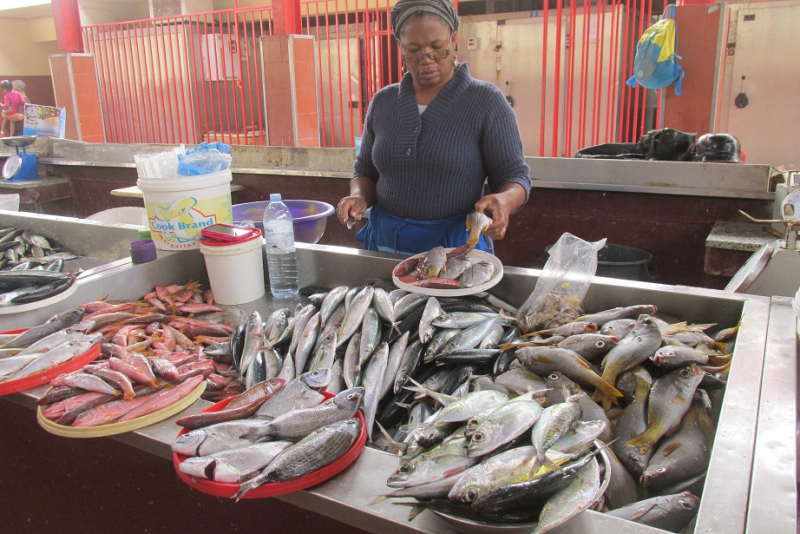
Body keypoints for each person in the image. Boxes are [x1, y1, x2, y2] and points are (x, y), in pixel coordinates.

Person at [336, 0, 531, 255]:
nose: (426, 60)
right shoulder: (384, 102)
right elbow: (365, 170)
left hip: (455, 247)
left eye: (437, 48)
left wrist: (504, 202)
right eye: (413, 50)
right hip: (386, 244)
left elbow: (514, 176)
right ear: (401, 47)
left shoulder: (485, 102)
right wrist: (359, 197)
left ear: (454, 40)